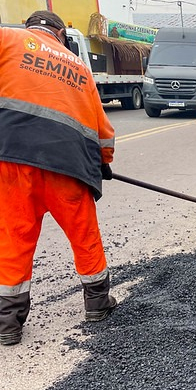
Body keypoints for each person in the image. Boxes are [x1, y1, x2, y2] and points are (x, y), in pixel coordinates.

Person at [0, 10, 117, 346]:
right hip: (68, 166)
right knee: (84, 234)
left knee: (13, 238)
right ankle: (97, 304)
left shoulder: (9, 39)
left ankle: (8, 324)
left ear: (31, 29)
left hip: (13, 160)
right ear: (61, 35)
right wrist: (103, 162)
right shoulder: (79, 66)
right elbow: (103, 131)